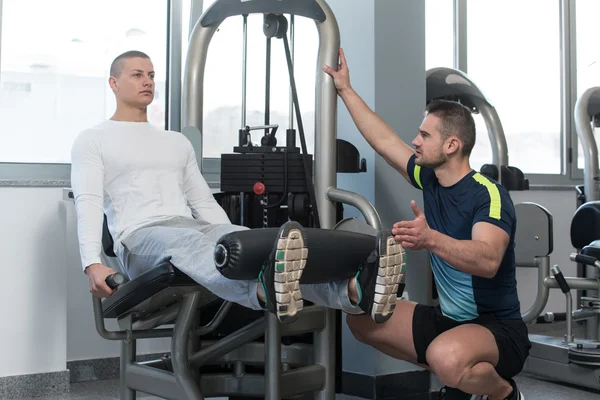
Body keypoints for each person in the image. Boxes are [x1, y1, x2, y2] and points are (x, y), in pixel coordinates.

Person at [70, 50, 406, 325]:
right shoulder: (93, 139)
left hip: (190, 227)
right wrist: (91, 263)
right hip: (140, 237)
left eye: (152, 75)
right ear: (113, 83)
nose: (147, 81)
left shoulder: (175, 142)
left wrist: (236, 235)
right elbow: (87, 201)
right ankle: (262, 293)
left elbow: (201, 200)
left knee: (269, 247)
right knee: (187, 240)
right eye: (137, 74)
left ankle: (351, 290)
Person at [323, 49, 529, 400]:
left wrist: (431, 239)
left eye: (424, 135)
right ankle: (461, 379)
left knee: (444, 356)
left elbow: (488, 260)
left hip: (497, 328)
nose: (415, 141)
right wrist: (345, 89)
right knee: (362, 322)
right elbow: (385, 141)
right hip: (449, 320)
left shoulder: (488, 195)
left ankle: (504, 393)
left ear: (451, 144)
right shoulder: (430, 178)